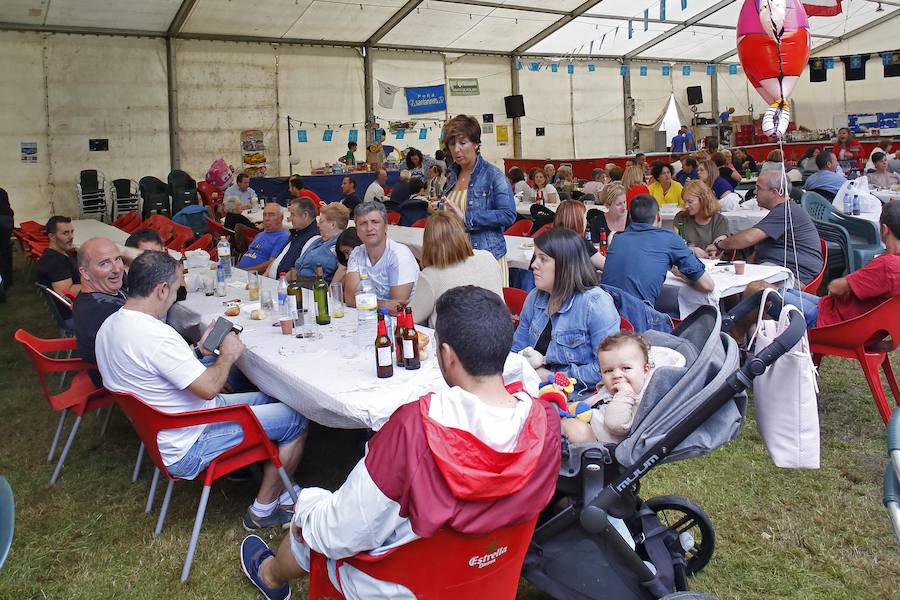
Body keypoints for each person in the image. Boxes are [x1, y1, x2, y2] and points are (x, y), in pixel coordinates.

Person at [240, 285, 561, 600]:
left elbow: (341, 532)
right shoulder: (544, 422)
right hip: (489, 571)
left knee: (314, 519)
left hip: (402, 584)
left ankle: (270, 575)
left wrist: (307, 510)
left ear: (446, 355)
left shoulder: (415, 430)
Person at [96, 251, 309, 530]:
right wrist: (227, 355)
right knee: (296, 417)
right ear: (161, 290)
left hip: (169, 428)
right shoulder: (155, 336)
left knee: (273, 397)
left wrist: (199, 351)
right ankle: (263, 510)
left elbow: (162, 371)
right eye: (176, 289)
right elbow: (208, 388)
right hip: (190, 441)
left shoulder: (110, 326)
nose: (176, 296)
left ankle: (283, 487)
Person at [754, 201, 900, 330]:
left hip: (831, 322)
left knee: (756, 289)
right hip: (844, 317)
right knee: (771, 288)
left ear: (884, 229)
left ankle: (747, 341)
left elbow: (835, 288)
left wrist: (848, 283)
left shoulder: (887, 265)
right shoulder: (892, 264)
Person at [511, 228, 618, 393]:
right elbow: (516, 349)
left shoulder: (595, 304)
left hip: (576, 395)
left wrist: (552, 378)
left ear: (565, 264)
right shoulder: (534, 298)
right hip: (530, 385)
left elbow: (607, 369)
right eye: (535, 257)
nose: (533, 265)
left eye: (543, 259)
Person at [442, 115, 517, 285]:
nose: (457, 149)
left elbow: (508, 214)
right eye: (452, 144)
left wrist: (467, 218)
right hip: (456, 257)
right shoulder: (452, 175)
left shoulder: (493, 175)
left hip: (486, 259)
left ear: (476, 143)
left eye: (463, 142)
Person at [601, 195, 714, 306]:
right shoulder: (669, 239)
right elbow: (708, 285)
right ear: (659, 217)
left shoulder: (617, 238)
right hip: (638, 313)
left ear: (630, 217)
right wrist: (683, 277)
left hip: (606, 310)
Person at [714, 170, 823, 285]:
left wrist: (719, 245)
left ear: (774, 192)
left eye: (758, 188)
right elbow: (757, 248)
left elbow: (748, 238)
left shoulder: (785, 211)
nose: (755, 192)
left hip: (794, 275)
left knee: (745, 286)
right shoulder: (784, 210)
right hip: (780, 269)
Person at [409, 212, 502, 327]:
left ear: (428, 244)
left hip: (455, 337)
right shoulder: (488, 257)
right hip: (499, 332)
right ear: (462, 235)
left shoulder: (430, 275)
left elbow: (412, 316)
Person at [560, 332, 653, 444]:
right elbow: (594, 401)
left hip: (601, 443)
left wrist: (625, 393)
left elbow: (616, 425)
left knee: (573, 429)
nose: (616, 375)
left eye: (626, 368)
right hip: (587, 421)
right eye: (609, 371)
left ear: (645, 370)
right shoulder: (609, 389)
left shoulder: (641, 398)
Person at [344, 201, 419, 313]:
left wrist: (364, 302)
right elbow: (350, 300)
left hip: (403, 321)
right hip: (369, 317)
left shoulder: (399, 254)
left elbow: (397, 309)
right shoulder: (356, 254)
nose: (369, 228)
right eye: (363, 223)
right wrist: (383, 304)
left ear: (385, 226)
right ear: (357, 231)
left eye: (375, 222)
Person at [72, 237, 127, 387]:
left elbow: (154, 266)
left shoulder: (102, 290)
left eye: (118, 259)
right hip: (122, 384)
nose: (117, 269)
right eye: (104, 263)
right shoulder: (104, 311)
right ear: (85, 273)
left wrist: (125, 251)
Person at [294, 202, 349, 282]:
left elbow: (343, 270)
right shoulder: (317, 241)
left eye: (321, 221)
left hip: (316, 286)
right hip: (298, 282)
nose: (318, 225)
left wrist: (332, 289)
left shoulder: (343, 245)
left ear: (332, 225)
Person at [674, 180, 730, 259]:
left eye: (690, 202)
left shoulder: (719, 220)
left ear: (703, 200)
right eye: (684, 201)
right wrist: (692, 250)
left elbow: (717, 248)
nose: (686, 206)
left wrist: (714, 251)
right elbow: (676, 244)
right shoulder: (681, 218)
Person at [267, 198, 319, 278]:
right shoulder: (297, 232)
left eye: (293, 214)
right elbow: (279, 257)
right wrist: (264, 277)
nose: (289, 219)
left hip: (283, 283)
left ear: (305, 215)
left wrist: (280, 281)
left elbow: (300, 269)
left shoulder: (314, 239)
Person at [238, 202, 290, 273]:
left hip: (255, 274)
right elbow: (248, 254)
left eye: (271, 215)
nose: (266, 218)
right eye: (264, 215)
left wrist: (244, 271)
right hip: (240, 271)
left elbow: (271, 264)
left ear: (281, 218)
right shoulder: (260, 234)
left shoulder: (283, 237)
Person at [554, 200, 605, 270]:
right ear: (578, 221)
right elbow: (606, 266)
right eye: (585, 218)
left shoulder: (549, 240)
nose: (586, 222)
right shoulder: (580, 243)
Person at [37, 216, 80, 296]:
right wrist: (96, 284)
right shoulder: (54, 260)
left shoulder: (61, 252)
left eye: (72, 232)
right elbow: (66, 293)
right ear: (52, 237)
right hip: (82, 301)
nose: (71, 237)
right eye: (65, 233)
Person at [0, 188, 14, 296]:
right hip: (7, 220)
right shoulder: (2, 191)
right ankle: (7, 280)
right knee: (4, 252)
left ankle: (2, 287)